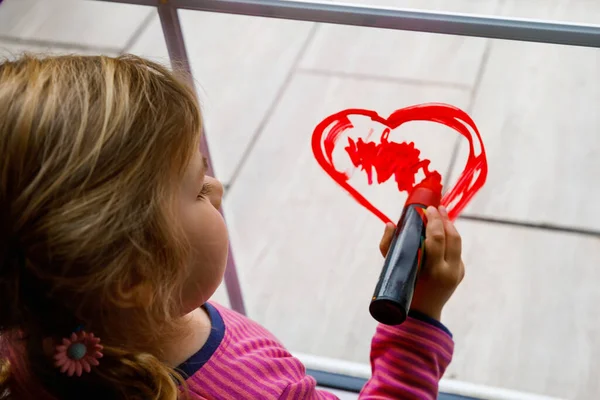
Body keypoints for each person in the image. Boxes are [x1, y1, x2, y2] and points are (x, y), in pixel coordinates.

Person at [0, 54, 465, 400]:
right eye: (197, 189)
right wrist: (417, 321)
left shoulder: (29, 334)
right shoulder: (254, 390)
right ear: (133, 277)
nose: (218, 188)